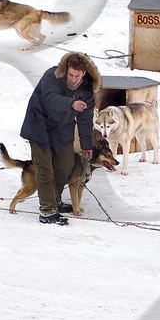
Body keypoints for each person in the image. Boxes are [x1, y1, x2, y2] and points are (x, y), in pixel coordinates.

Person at [19, 52, 100, 226]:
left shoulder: (86, 89)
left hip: (62, 128)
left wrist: (87, 145)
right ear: (66, 70)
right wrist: (71, 104)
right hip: (39, 124)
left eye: (77, 75)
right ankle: (47, 211)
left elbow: (85, 120)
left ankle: (55, 201)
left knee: (66, 164)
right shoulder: (52, 75)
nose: (73, 79)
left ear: (84, 73)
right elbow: (50, 98)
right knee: (45, 167)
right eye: (71, 74)